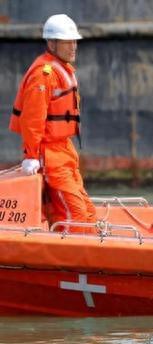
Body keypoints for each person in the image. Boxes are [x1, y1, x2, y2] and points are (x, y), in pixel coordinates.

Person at [8, 14, 96, 231]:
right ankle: (73, 258)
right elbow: (32, 119)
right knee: (74, 214)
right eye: (67, 42)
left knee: (88, 212)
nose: (73, 46)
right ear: (52, 43)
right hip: (50, 155)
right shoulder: (44, 75)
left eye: (75, 41)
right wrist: (31, 156)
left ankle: (89, 256)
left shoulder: (61, 69)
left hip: (65, 151)